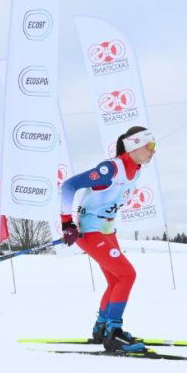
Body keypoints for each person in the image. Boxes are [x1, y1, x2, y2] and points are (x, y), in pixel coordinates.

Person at [59, 126, 157, 353]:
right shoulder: (110, 169)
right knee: (127, 275)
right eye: (149, 146)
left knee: (116, 280)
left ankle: (101, 328)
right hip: (90, 231)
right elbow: (68, 186)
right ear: (134, 145)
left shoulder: (137, 170)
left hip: (106, 230)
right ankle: (114, 334)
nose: (153, 151)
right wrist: (66, 223)